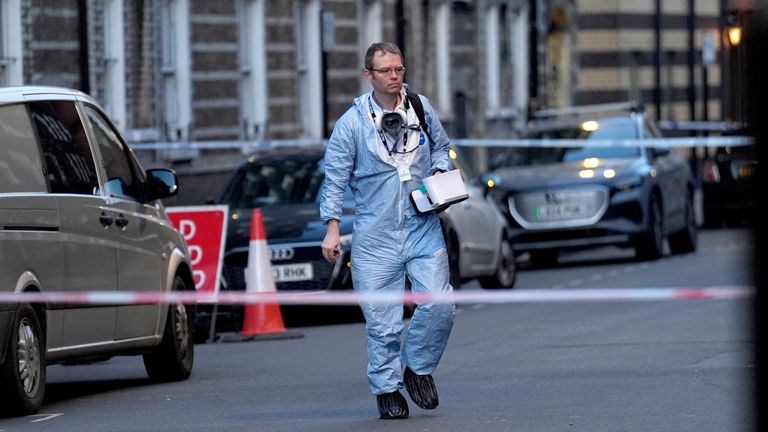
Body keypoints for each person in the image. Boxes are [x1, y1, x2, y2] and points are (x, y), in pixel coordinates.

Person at [319, 42, 455, 420]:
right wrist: (332, 229)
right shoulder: (352, 125)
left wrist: (441, 173)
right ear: (369, 76)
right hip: (374, 237)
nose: (395, 77)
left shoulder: (422, 109)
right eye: (386, 71)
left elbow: (442, 149)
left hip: (422, 225)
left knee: (440, 304)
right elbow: (334, 180)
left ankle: (418, 368)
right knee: (383, 323)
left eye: (399, 69)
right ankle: (387, 389)